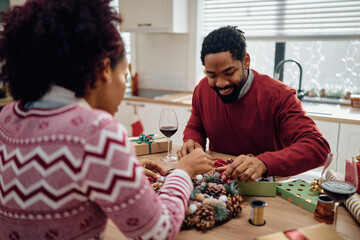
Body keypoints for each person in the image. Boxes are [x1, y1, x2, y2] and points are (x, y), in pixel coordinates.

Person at [0, 0, 214, 239]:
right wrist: (183, 172)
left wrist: (118, 173)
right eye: (124, 75)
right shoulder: (97, 132)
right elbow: (158, 232)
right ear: (103, 70)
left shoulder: (6, 117)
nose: (125, 87)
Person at [177, 26, 330, 183]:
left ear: (246, 61)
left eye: (229, 73)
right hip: (219, 182)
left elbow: (318, 148)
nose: (221, 83)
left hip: (268, 186)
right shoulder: (202, 89)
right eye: (212, 75)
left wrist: (264, 162)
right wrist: (193, 141)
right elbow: (196, 127)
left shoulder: (280, 95)